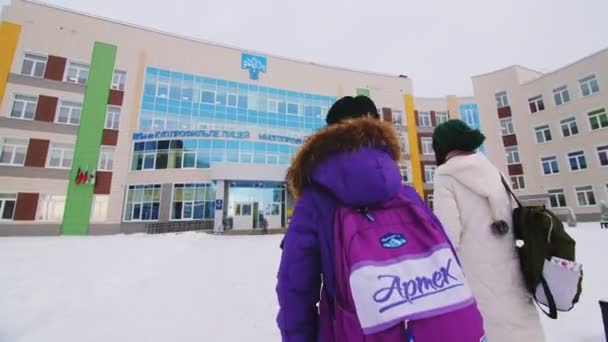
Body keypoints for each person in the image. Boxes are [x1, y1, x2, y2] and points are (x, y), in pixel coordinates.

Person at [276, 97, 484, 341]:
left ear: (328, 134)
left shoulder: (315, 200)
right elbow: (448, 258)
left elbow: (295, 287)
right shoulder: (406, 194)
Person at [432, 119, 546, 342]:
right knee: (521, 322)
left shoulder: (444, 176)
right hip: (512, 265)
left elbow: (449, 234)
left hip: (475, 273)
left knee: (487, 326)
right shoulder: (496, 172)